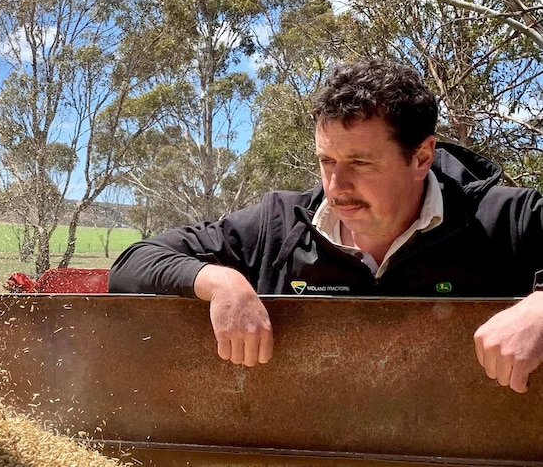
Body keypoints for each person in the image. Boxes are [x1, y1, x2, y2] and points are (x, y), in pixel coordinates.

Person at [108, 58, 543, 394]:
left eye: (360, 163)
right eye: (327, 161)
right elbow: (132, 263)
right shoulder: (278, 224)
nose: (337, 186)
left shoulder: (505, 219)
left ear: (422, 157)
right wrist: (218, 281)